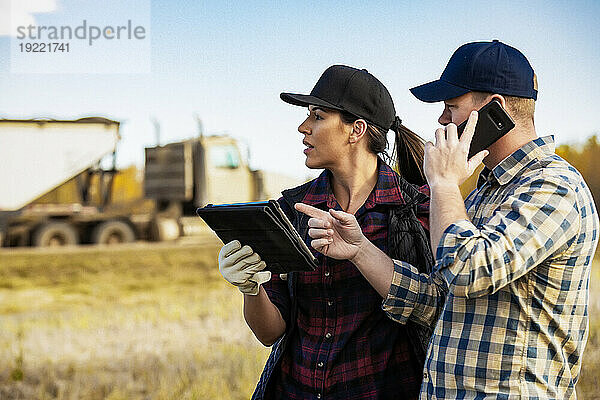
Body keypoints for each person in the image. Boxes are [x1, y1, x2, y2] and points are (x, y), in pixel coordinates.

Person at [296, 41, 599, 399]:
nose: (442, 120)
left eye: (451, 107)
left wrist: (441, 183)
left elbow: (468, 272)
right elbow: (440, 301)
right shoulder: (485, 193)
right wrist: (361, 250)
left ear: (494, 111)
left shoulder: (553, 186)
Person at [217, 65, 437, 399]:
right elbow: (269, 332)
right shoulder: (291, 210)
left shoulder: (416, 211)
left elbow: (435, 312)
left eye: (317, 116)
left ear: (356, 130)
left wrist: (364, 254)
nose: (303, 127)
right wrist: (250, 287)